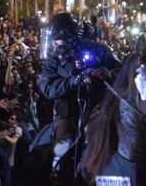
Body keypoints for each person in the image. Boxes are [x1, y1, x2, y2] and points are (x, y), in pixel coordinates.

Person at [39, 13, 121, 184]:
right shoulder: (53, 62)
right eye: (52, 39)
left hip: (99, 110)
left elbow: (122, 72)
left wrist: (106, 74)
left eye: (57, 39)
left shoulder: (100, 50)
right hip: (67, 116)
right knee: (63, 148)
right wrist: (73, 82)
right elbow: (47, 88)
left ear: (70, 36)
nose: (54, 43)